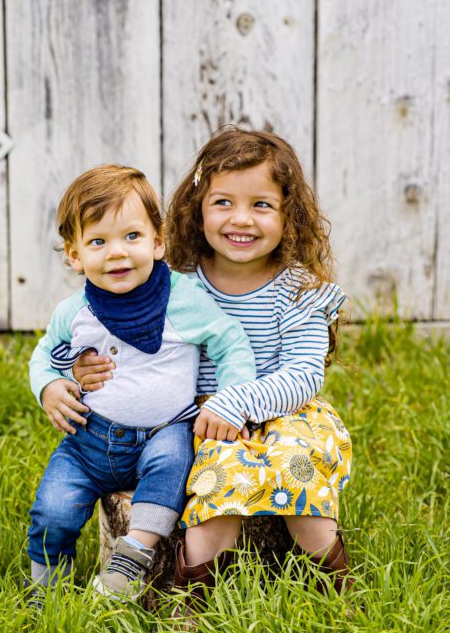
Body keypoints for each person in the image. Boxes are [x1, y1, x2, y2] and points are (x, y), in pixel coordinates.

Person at [72, 127, 353, 606]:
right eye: (223, 202)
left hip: (289, 414)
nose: (240, 219)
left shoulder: (300, 289)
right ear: (196, 206)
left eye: (261, 205)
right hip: (200, 418)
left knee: (298, 473)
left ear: (290, 215)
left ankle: (338, 593)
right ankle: (193, 606)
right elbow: (124, 341)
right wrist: (84, 367)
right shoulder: (174, 286)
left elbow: (305, 374)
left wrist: (237, 399)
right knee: (218, 487)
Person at [27, 163, 255, 603]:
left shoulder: (182, 300)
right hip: (89, 437)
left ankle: (132, 556)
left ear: (158, 240)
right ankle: (45, 587)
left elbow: (230, 341)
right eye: (98, 242)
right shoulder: (74, 312)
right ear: (74, 255)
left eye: (132, 237)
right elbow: (45, 354)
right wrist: (50, 387)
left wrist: (234, 399)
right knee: (53, 508)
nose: (117, 253)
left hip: (163, 429)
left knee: (170, 466)